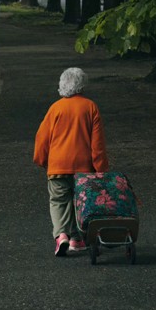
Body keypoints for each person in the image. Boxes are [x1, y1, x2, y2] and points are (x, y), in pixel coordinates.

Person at [33, 67, 109, 257]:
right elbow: (97, 145)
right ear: (83, 85)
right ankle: (77, 238)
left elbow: (42, 139)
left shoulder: (55, 108)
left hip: (58, 165)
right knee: (80, 202)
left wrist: (43, 161)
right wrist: (101, 170)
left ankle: (61, 236)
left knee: (59, 201)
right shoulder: (90, 107)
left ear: (62, 85)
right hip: (84, 168)